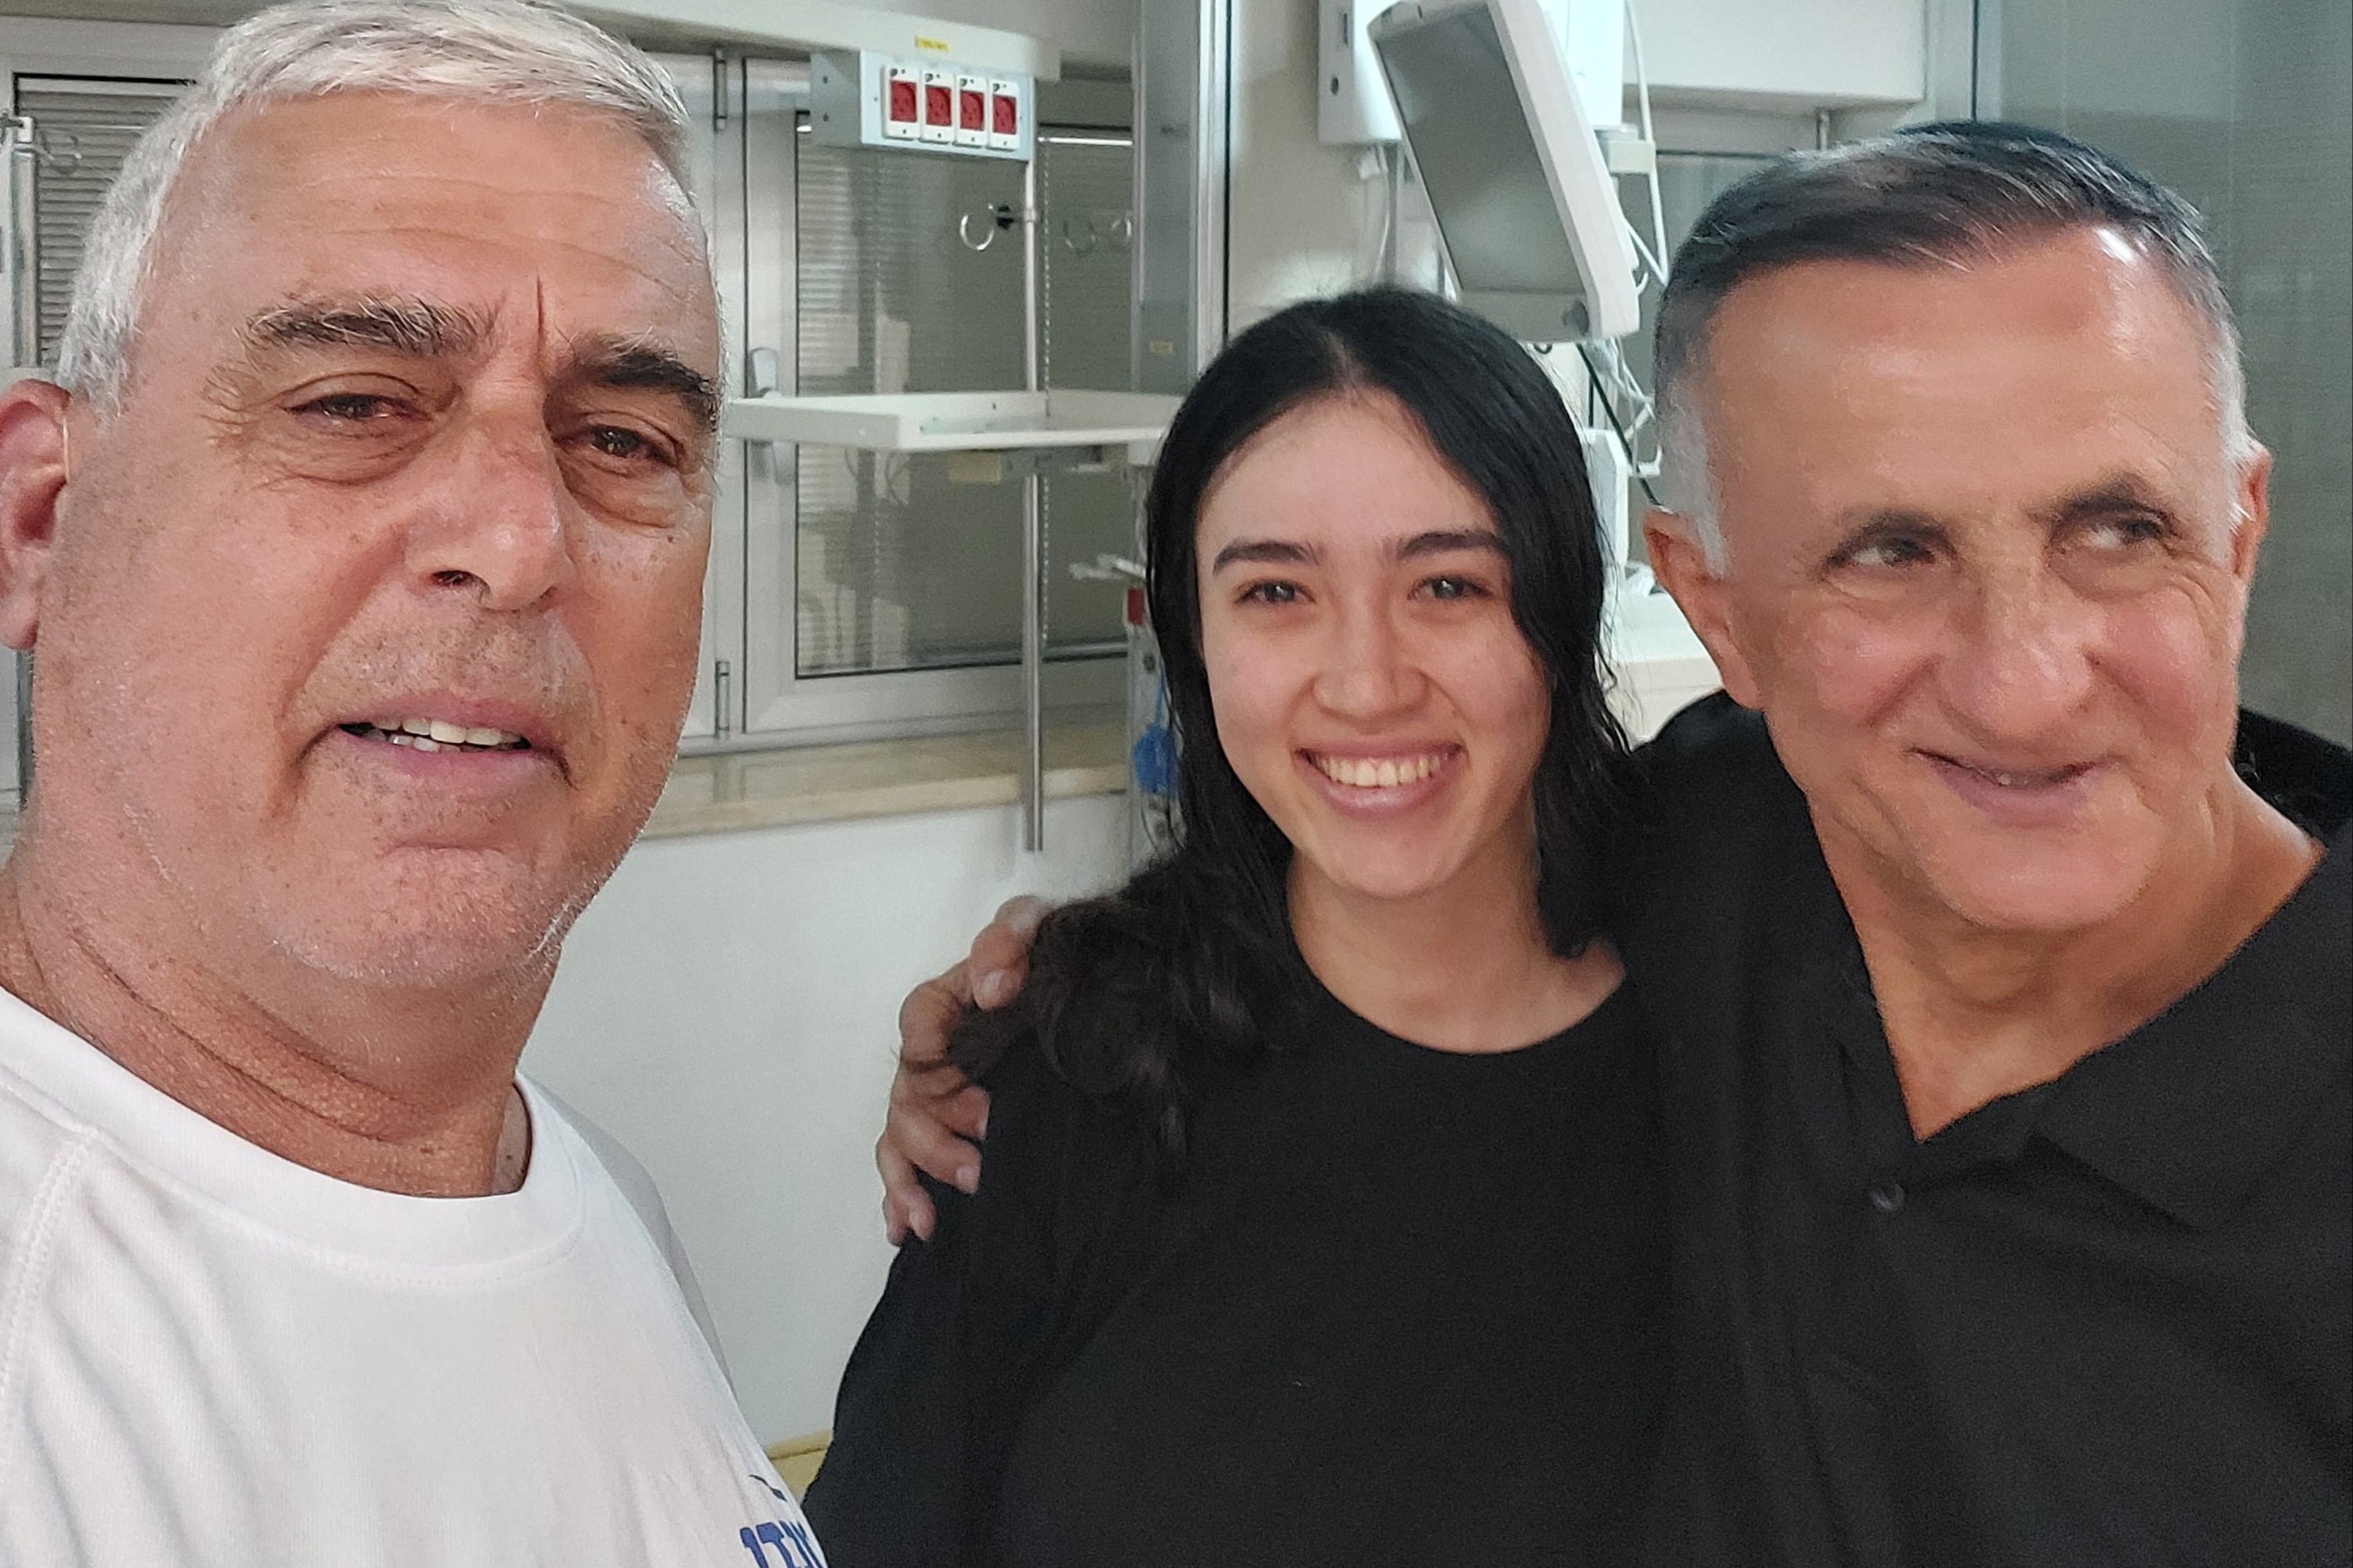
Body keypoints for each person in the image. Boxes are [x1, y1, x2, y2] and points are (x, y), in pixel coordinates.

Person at [877, 124, 2350, 1566]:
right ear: (1714, 612)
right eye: (1888, 554)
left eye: (2114, 529)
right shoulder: (1719, 856)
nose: (2020, 682)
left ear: (2237, 535)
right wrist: (1056, 985)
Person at [0, 3, 822, 1562]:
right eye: (355, 406)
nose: (520, 543)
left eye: (623, 439)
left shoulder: (580, 1201)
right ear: (43, 518)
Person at [803, 289, 1669, 1567]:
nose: (1365, 681)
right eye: (1275, 591)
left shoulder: (1733, 1052)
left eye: (1446, 583)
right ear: (1193, 643)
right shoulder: (1069, 1077)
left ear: (1561, 608)